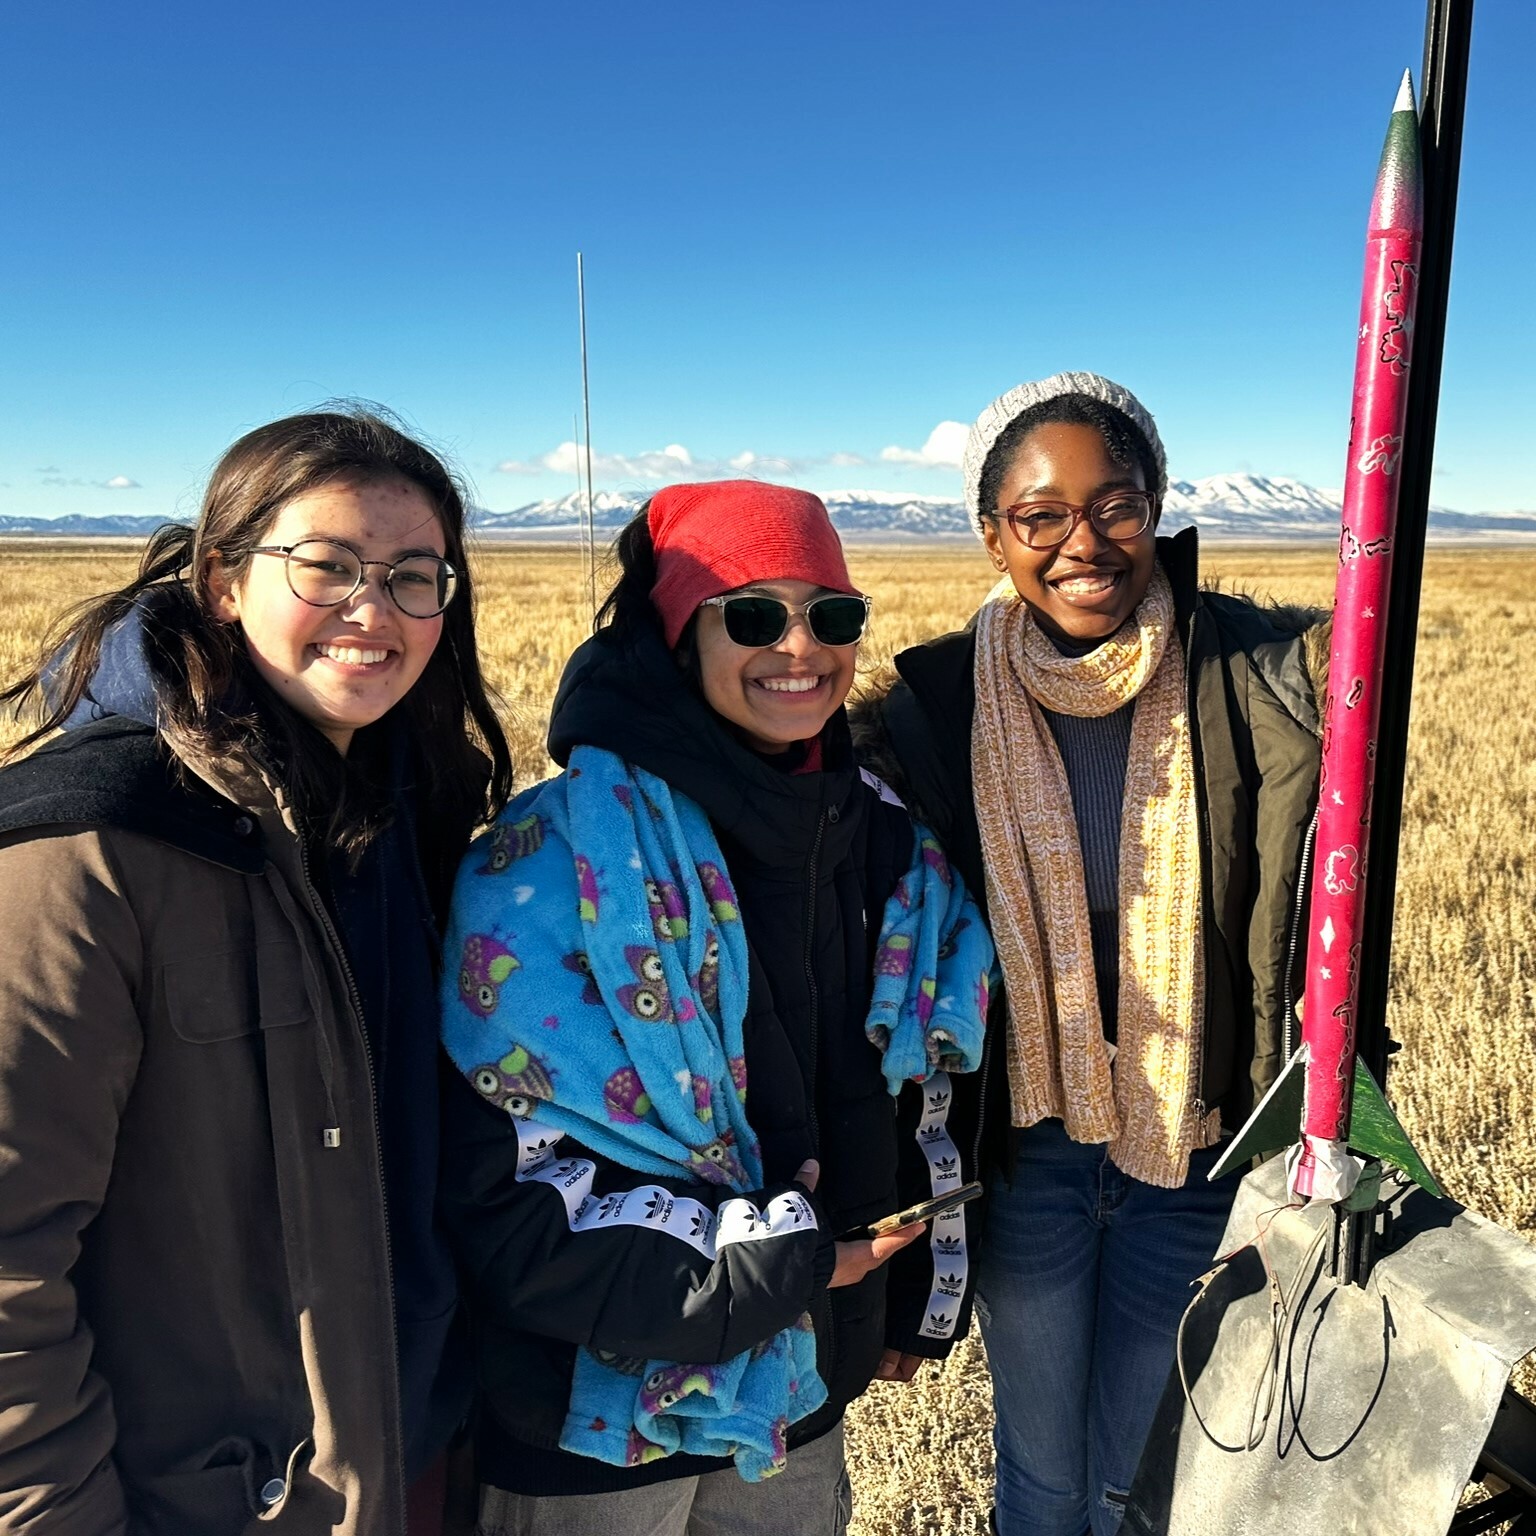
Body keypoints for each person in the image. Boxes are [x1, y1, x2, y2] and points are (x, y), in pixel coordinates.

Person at [439, 480, 992, 1536]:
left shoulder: (880, 842)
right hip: (591, 1417)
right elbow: (505, 1186)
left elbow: (906, 1093)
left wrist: (897, 1300)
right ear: (674, 632)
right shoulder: (544, 864)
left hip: (799, 1391)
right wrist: (771, 1265)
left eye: (831, 615)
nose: (800, 646)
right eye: (752, 613)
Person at [0, 409, 512, 1535]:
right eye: (327, 565)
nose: (375, 611)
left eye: (416, 576)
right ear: (224, 579)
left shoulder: (410, 818)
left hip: (411, 1452)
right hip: (215, 1499)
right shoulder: (93, 851)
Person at [854, 373, 1325, 1536]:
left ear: (1158, 506)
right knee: (1043, 1471)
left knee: (1138, 1468)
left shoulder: (1264, 678)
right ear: (991, 533)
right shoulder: (929, 711)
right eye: (1041, 516)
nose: (1084, 544)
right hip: (1030, 1154)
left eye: (1115, 507)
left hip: (1194, 1144)